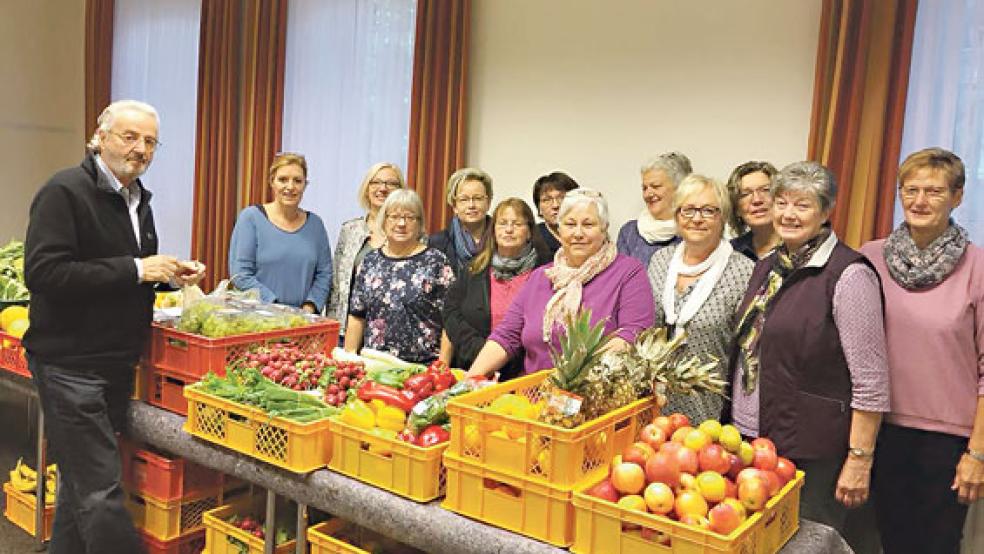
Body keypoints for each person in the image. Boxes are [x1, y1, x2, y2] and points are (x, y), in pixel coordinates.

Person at [23, 100, 206, 554]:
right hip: (69, 363)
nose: (140, 148)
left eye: (149, 141)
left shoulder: (139, 200)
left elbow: (126, 276)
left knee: (80, 485)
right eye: (130, 136)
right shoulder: (63, 192)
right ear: (99, 137)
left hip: (115, 363)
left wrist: (166, 277)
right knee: (102, 492)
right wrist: (136, 269)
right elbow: (45, 273)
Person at [727, 161, 889, 554]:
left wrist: (859, 460)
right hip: (753, 437)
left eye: (802, 204)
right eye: (781, 201)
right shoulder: (769, 266)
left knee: (805, 545)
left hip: (811, 450)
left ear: (826, 210)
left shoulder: (848, 275)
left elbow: (871, 380)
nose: (788, 213)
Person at [859, 148, 984, 554]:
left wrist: (977, 454)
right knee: (887, 542)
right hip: (878, 430)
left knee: (935, 546)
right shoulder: (870, 258)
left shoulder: (978, 267)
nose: (919, 201)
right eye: (910, 190)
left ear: (958, 197)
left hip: (948, 442)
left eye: (933, 191)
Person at [467, 189, 655, 377]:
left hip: (600, 398)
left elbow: (632, 334)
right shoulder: (541, 276)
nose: (578, 233)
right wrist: (468, 381)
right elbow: (506, 336)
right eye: (570, 224)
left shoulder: (628, 272)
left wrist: (569, 379)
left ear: (604, 228)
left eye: (588, 224)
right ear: (559, 229)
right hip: (533, 398)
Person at [648, 174, 753, 424]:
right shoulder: (660, 261)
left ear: (723, 217)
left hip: (710, 410)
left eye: (708, 211)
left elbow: (749, 353)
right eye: (689, 210)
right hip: (654, 405)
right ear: (676, 216)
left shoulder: (743, 271)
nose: (697, 218)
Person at [442, 198, 552, 379]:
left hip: (526, 374)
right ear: (493, 230)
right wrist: (482, 349)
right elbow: (451, 312)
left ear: (529, 232)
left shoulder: (546, 272)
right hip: (476, 368)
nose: (509, 230)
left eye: (517, 224)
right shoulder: (474, 269)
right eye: (502, 224)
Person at [344, 189, 455, 363]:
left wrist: (443, 365)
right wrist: (349, 357)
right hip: (374, 366)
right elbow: (357, 314)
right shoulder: (370, 261)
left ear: (420, 223)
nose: (401, 223)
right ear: (383, 221)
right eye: (394, 217)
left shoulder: (436, 261)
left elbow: (450, 320)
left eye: (410, 217)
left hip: (422, 368)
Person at [228, 153, 332, 313]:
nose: (290, 187)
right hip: (257, 321)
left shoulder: (316, 225)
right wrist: (276, 307)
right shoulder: (251, 218)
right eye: (283, 179)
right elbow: (240, 275)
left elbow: (324, 274)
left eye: (297, 181)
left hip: (301, 323)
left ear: (305, 185)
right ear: (272, 182)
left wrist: (309, 308)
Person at [326, 162, 405, 335]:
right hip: (347, 330)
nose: (382, 188)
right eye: (375, 182)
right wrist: (332, 328)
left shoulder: (410, 233)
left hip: (392, 334)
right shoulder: (350, 230)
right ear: (366, 188)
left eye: (391, 183)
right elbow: (336, 286)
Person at [616, 152, 691, 265]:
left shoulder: (694, 231)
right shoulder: (629, 233)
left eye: (655, 186)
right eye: (644, 188)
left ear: (679, 189)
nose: (648, 194)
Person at [429, 168, 493, 274]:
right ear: (454, 206)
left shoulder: (501, 239)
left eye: (478, 198)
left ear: (488, 202)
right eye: (464, 199)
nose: (471, 205)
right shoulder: (438, 243)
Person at [727, 161, 781, 260]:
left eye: (765, 190)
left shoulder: (797, 247)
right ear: (736, 209)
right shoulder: (729, 251)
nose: (757, 200)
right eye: (745, 194)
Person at [532, 171, 579, 255]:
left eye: (561, 198)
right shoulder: (531, 238)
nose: (555, 205)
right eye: (546, 200)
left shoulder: (588, 233)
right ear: (539, 208)